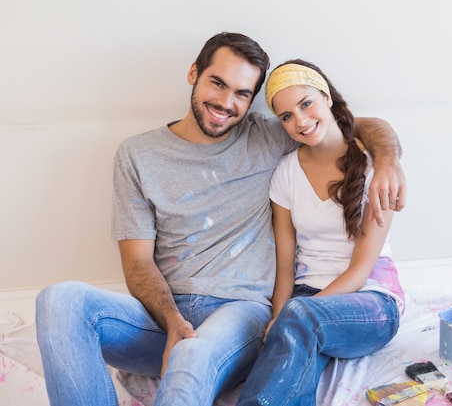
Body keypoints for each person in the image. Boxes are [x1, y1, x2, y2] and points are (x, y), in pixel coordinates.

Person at [35, 32, 405, 406]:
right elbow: (137, 262)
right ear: (194, 73)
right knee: (59, 299)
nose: (227, 103)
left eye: (242, 94)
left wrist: (388, 160)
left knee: (192, 354)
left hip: (238, 313)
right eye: (218, 83)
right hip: (163, 319)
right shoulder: (137, 155)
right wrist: (173, 322)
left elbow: (350, 126)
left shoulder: (268, 135)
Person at [236, 60, 405, 406]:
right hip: (306, 301)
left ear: (327, 97)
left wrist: (292, 315)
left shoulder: (375, 168)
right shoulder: (286, 173)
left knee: (299, 318)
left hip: (371, 301)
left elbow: (359, 270)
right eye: (285, 116)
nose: (299, 121)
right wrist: (278, 316)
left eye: (306, 103)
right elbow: (286, 265)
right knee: (291, 369)